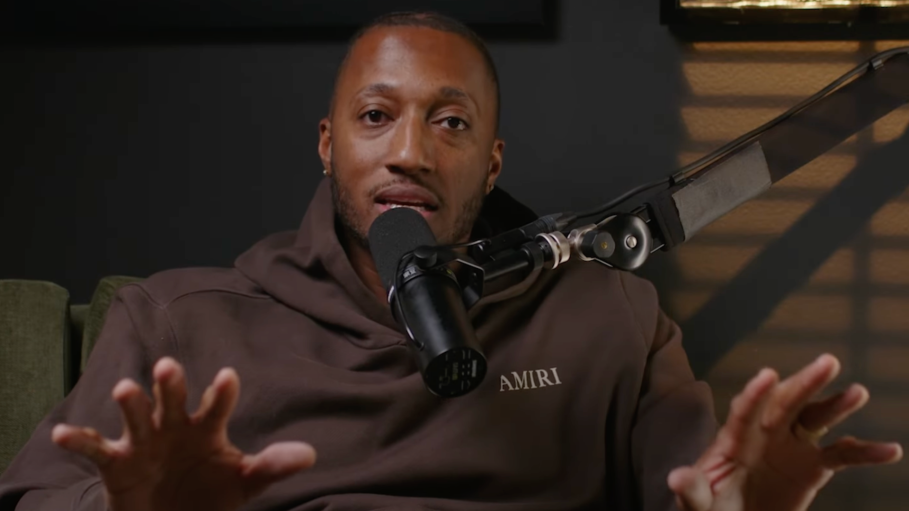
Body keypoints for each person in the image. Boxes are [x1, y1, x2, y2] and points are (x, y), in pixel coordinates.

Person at [0, 11, 902, 511]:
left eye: (450, 122)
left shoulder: (612, 317)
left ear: (491, 162)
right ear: (327, 145)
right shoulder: (180, 319)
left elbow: (696, 492)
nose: (409, 153)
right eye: (375, 116)